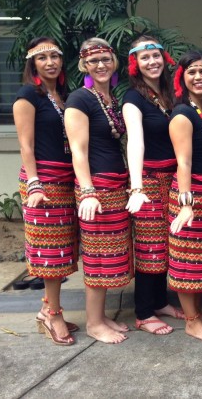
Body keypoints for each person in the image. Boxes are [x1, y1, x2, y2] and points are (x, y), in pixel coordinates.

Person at [65, 37, 131, 344]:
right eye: (93, 61)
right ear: (84, 66)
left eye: (106, 59)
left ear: (114, 62)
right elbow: (78, 150)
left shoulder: (110, 99)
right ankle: (93, 322)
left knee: (110, 254)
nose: (101, 65)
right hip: (97, 187)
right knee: (97, 256)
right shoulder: (80, 99)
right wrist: (88, 191)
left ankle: (101, 315)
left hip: (115, 186)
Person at [13, 37, 78, 346]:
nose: (50, 62)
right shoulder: (29, 95)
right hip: (43, 182)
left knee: (63, 251)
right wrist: (36, 182)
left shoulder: (61, 95)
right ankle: (53, 315)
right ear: (33, 64)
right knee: (51, 255)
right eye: (43, 58)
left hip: (64, 181)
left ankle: (46, 310)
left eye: (55, 56)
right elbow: (25, 144)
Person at [122, 35, 184, 336]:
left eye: (156, 56)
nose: (152, 62)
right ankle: (144, 312)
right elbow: (134, 141)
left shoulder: (171, 94)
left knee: (168, 243)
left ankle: (160, 302)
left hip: (172, 178)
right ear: (136, 63)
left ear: (164, 58)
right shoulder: (133, 98)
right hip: (147, 179)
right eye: (145, 58)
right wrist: (137, 188)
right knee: (150, 247)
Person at [167, 50, 202, 342]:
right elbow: (184, 162)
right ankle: (190, 321)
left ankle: (198, 314)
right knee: (187, 260)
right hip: (190, 195)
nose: (198, 77)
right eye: (191, 72)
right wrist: (186, 205)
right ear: (182, 78)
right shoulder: (182, 114)